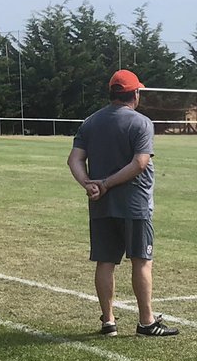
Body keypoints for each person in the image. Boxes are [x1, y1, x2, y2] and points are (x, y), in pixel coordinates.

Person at [68, 69, 178, 338]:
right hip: (134, 203)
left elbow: (74, 160)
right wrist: (105, 184)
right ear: (135, 94)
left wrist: (89, 184)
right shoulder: (141, 123)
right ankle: (146, 322)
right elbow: (140, 163)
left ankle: (108, 322)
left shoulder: (91, 122)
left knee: (105, 261)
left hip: (101, 205)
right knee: (141, 260)